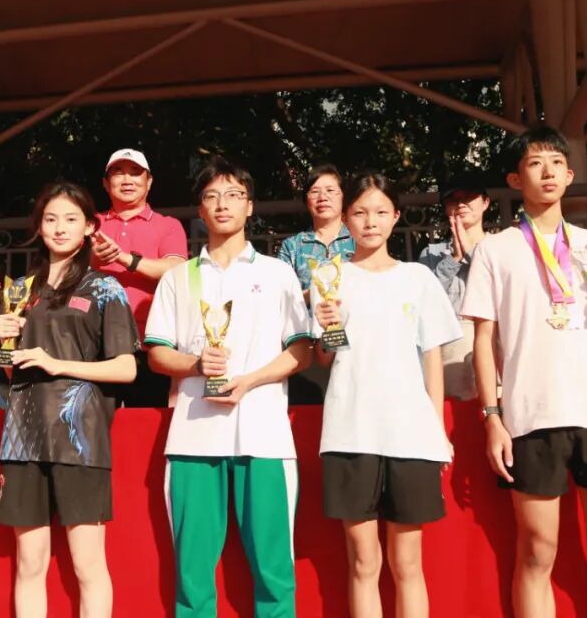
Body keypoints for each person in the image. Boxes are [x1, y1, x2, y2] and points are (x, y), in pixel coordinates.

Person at [462, 127, 587, 618]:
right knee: (535, 553)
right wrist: (492, 417)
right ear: (515, 178)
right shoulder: (495, 249)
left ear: (569, 175)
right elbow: (483, 340)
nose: (546, 171)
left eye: (555, 163)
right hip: (532, 414)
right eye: (534, 162)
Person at [146, 157, 313, 618]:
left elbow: (301, 351)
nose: (223, 204)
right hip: (193, 439)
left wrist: (250, 380)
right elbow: (157, 353)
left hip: (265, 437)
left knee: (274, 571)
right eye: (212, 196)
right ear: (200, 210)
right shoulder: (178, 277)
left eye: (234, 195)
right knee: (192, 574)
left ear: (250, 206)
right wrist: (197, 364)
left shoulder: (277, 273)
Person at [313, 172, 461, 618]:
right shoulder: (329, 276)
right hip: (349, 432)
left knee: (408, 563)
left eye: (380, 212)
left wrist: (437, 431)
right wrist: (329, 326)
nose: (370, 222)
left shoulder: (418, 278)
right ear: (345, 219)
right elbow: (324, 359)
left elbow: (432, 359)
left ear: (396, 216)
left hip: (409, 435)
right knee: (363, 562)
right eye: (359, 212)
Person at [0, 182, 138, 618]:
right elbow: (9, 372)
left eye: (71, 219)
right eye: (51, 219)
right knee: (29, 563)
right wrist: (4, 342)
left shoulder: (106, 288)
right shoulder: (21, 289)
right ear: (39, 226)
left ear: (90, 226)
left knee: (87, 564)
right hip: (22, 439)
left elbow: (126, 368)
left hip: (80, 439)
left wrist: (56, 364)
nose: (60, 228)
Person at [91, 148, 188, 406]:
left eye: (135, 173)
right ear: (105, 183)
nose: (127, 180)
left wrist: (125, 258)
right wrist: (93, 259)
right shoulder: (89, 224)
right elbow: (66, 269)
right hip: (94, 345)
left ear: (149, 181)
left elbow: (176, 270)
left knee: (145, 424)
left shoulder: (168, 225)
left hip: (149, 343)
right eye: (118, 173)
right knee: (92, 425)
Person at [417, 172, 491, 399]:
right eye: (453, 199)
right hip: (449, 343)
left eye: (468, 197)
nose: (460, 204)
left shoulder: (500, 247)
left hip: (493, 337)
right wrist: (454, 259)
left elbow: (504, 292)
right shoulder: (431, 253)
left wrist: (471, 254)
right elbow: (424, 301)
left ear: (485, 202)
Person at [278, 163, 356, 297]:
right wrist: (312, 296)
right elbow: (281, 297)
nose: (323, 198)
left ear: (344, 197)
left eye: (330, 190)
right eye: (315, 192)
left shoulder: (358, 241)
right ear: (306, 200)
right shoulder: (292, 247)